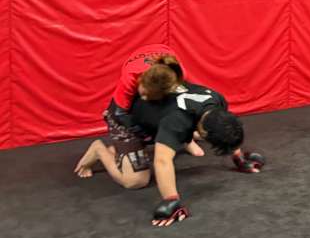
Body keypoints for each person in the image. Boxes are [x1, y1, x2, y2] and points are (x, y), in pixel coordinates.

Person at [74, 80, 265, 226]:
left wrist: (239, 158)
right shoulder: (176, 122)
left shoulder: (217, 100)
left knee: (186, 132)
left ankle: (183, 140)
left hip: (163, 114)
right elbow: (162, 161)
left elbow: (227, 129)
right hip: (126, 120)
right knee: (135, 181)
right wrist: (171, 201)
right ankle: (100, 150)